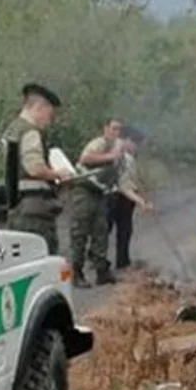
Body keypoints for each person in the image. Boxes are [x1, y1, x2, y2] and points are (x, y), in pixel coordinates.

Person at [1, 83, 74, 255]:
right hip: (34, 212)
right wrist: (58, 174)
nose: (50, 121)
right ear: (39, 107)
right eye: (49, 115)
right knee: (42, 258)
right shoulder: (30, 132)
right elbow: (34, 168)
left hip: (15, 208)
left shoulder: (11, 130)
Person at [68, 118, 125, 288]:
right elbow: (85, 158)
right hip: (84, 191)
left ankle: (102, 271)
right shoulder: (99, 143)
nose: (116, 133)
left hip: (99, 193)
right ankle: (76, 273)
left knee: (101, 232)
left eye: (119, 130)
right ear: (106, 128)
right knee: (80, 232)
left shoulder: (116, 147)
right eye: (114, 128)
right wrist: (111, 156)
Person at [108, 128, 153, 270]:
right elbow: (124, 186)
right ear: (127, 140)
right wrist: (141, 202)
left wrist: (143, 197)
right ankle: (103, 264)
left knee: (126, 230)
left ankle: (123, 261)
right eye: (136, 143)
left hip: (126, 197)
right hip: (116, 197)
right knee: (110, 230)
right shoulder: (121, 157)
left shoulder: (130, 158)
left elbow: (134, 181)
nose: (137, 147)